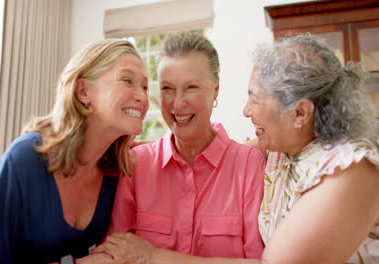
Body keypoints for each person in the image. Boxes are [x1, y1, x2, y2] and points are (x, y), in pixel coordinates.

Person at [96, 34, 379, 264]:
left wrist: (153, 257)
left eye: (255, 99)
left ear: (300, 114)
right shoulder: (283, 153)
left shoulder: (353, 170)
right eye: (168, 88)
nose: (246, 111)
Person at [0, 38, 149, 263]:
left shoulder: (114, 171)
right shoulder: (26, 158)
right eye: (127, 81)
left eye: (145, 86)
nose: (142, 96)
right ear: (83, 91)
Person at [90, 32, 266, 262]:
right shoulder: (136, 164)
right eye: (167, 88)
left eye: (191, 87)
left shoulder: (249, 164)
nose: (178, 103)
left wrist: (153, 256)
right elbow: (113, 256)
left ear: (215, 90)